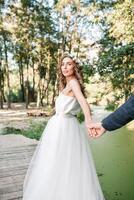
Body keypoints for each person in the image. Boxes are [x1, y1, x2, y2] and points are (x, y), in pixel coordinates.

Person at [22, 54, 105, 200]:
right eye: (63, 64)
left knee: (64, 159)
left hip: (66, 126)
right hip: (58, 125)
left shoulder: (73, 82)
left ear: (75, 67)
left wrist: (89, 122)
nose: (65, 67)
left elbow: (84, 102)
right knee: (57, 159)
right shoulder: (66, 84)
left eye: (69, 64)